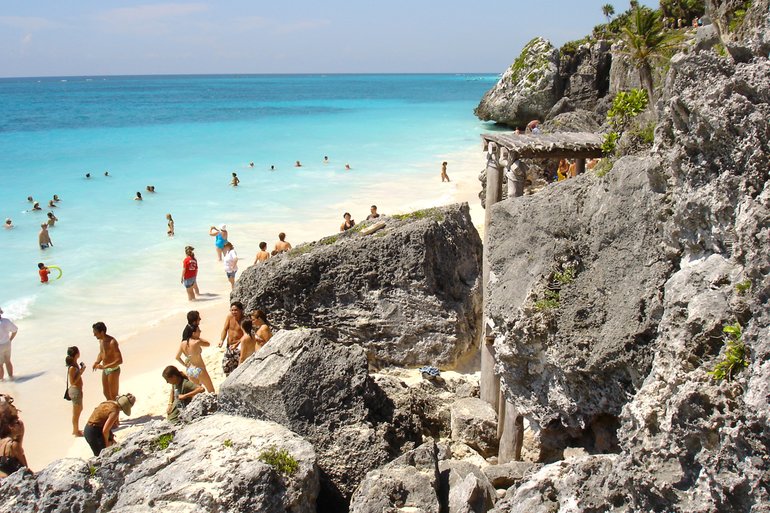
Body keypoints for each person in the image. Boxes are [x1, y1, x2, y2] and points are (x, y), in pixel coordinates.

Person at [176, 325, 214, 393]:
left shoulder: (183, 343)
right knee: (211, 390)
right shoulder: (196, 342)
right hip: (199, 369)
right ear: (193, 333)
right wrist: (198, 338)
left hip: (190, 370)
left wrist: (185, 365)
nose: (200, 331)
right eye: (198, 330)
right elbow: (208, 344)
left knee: (197, 393)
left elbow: (177, 357)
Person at [91, 322, 122, 401]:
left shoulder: (112, 342)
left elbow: (119, 360)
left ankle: (116, 412)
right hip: (105, 369)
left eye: (95, 333)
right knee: (106, 393)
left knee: (114, 395)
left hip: (113, 370)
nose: (94, 335)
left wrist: (104, 366)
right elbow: (102, 353)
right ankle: (112, 410)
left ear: (102, 332)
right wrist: (97, 362)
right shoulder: (101, 340)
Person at [0, 394, 29, 477]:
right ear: (10, 426)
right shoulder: (13, 446)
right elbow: (26, 470)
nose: (20, 423)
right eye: (17, 421)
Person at [65, 347, 86, 436]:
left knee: (79, 409)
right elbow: (72, 382)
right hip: (75, 390)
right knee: (76, 412)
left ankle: (76, 430)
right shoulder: (72, 367)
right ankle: (76, 431)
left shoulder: (75, 364)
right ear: (76, 354)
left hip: (78, 390)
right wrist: (81, 372)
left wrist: (81, 370)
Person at [220, 302, 245, 376]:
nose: (234, 312)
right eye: (232, 310)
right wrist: (221, 340)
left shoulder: (244, 320)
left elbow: (245, 335)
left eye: (236, 310)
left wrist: (237, 344)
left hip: (239, 347)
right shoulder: (229, 317)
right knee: (226, 365)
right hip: (229, 346)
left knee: (238, 367)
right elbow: (225, 329)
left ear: (241, 310)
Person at [0, 309, 19, 382]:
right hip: (7, 344)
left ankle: (1, 381)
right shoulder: (6, 321)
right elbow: (15, 330)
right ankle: (11, 378)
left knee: (0, 365)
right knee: (8, 361)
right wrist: (10, 339)